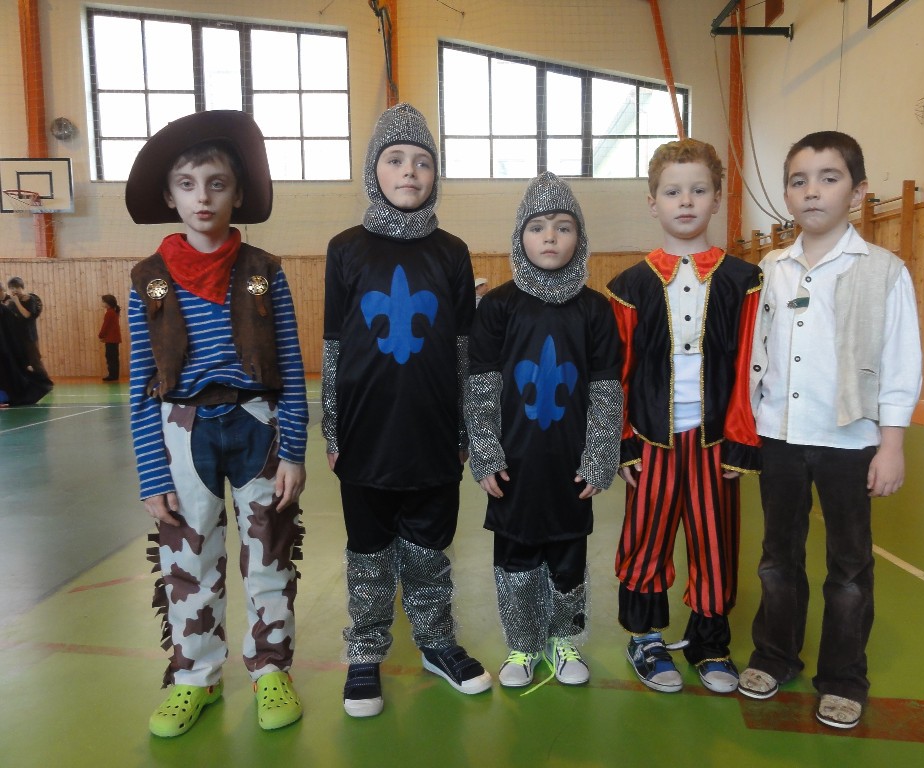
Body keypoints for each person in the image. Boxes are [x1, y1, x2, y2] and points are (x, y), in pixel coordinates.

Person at [124, 110, 308, 737]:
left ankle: (271, 669)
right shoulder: (147, 282)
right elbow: (141, 386)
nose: (202, 197)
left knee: (269, 553)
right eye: (187, 184)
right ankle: (194, 677)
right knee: (188, 557)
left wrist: (293, 450)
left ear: (237, 193)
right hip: (184, 431)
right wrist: (152, 474)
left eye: (216, 183)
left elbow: (291, 364)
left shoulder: (263, 272)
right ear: (169, 195)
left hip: (258, 425)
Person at [737, 131, 922, 729]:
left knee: (849, 566)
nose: (812, 191)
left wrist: (891, 445)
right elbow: (753, 354)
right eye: (799, 180)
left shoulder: (884, 271)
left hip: (849, 441)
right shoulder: (770, 269)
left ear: (858, 192)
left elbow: (900, 363)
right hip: (780, 437)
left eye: (829, 178)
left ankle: (843, 677)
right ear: (787, 194)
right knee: (777, 557)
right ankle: (776, 654)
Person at [322, 102, 490, 718]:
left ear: (435, 174)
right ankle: (365, 652)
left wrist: (470, 429)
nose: (410, 172)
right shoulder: (345, 249)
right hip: (365, 430)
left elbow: (465, 350)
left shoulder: (452, 251)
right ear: (374, 169)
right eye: (395, 160)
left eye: (422, 161)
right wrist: (332, 428)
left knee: (429, 548)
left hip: (433, 430)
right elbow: (334, 346)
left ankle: (436, 642)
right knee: (368, 549)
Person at [607, 139, 762, 695]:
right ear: (654, 203)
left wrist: (741, 441)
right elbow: (618, 372)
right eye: (673, 192)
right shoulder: (629, 286)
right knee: (645, 539)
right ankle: (645, 637)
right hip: (652, 439)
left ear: (717, 198)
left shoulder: (745, 280)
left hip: (715, 440)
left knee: (715, 543)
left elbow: (749, 365)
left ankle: (709, 642)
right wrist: (622, 442)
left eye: (699, 190)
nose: (687, 201)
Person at [465, 173, 622, 689]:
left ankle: (564, 639)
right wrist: (485, 452)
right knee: (515, 556)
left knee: (568, 555)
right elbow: (481, 388)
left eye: (562, 227)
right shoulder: (498, 307)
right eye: (537, 227)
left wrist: (599, 456)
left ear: (580, 237)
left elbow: (605, 390)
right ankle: (523, 644)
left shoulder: (595, 310)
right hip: (515, 463)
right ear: (520, 237)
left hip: (570, 465)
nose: (549, 237)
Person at [0, 294, 52, 406]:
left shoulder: (5, 307)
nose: (4, 293)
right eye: (2, 291)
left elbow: (21, 319)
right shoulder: (4, 308)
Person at [4, 277, 43, 348]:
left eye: (17, 287)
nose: (15, 290)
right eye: (12, 288)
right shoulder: (10, 302)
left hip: (29, 337)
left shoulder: (30, 299)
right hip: (16, 337)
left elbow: (27, 315)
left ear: (22, 287)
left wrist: (16, 302)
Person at [98, 294, 122, 381]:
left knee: (110, 357)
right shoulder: (113, 312)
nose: (102, 303)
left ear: (107, 303)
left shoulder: (109, 313)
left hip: (111, 339)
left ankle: (112, 375)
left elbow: (105, 326)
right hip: (114, 339)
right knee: (113, 357)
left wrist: (101, 335)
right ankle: (114, 375)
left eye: (103, 301)